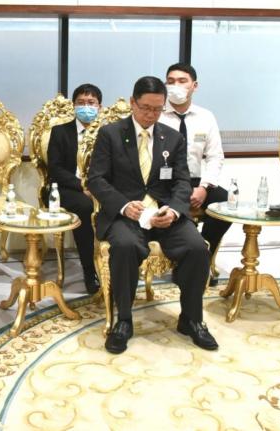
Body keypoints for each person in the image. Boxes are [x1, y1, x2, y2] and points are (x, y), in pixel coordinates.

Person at [88, 76, 217, 354]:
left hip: (163, 213)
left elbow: (182, 181)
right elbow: (96, 179)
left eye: (157, 109)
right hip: (127, 214)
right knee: (124, 246)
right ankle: (123, 320)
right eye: (145, 108)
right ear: (132, 103)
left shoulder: (172, 137)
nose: (151, 115)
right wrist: (124, 205)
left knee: (197, 247)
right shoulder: (110, 134)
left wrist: (174, 210)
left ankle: (191, 319)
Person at [159, 63, 231, 286]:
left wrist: (204, 187)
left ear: (194, 86)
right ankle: (181, 257)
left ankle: (203, 258)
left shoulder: (205, 117)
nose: (175, 86)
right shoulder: (156, 114)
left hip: (197, 180)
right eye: (170, 81)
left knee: (224, 202)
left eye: (182, 81)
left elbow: (215, 156)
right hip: (165, 181)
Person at [46, 83, 102, 294]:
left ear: (100, 107)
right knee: (85, 206)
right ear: (73, 105)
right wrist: (82, 185)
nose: (86, 107)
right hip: (67, 189)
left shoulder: (107, 133)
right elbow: (55, 168)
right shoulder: (60, 132)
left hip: (100, 187)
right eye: (81, 102)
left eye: (91, 102)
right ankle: (89, 271)